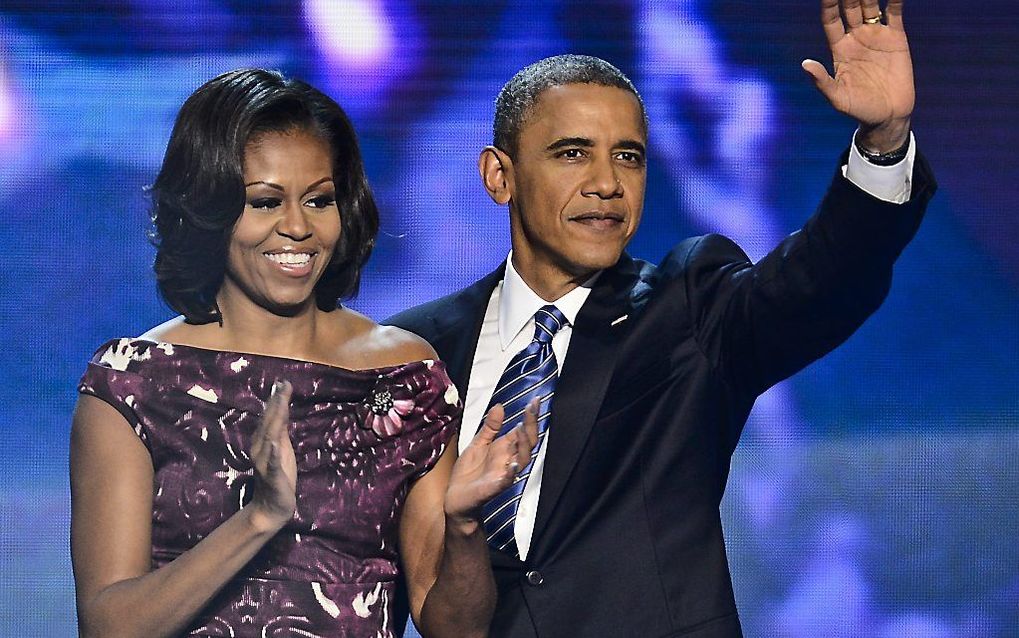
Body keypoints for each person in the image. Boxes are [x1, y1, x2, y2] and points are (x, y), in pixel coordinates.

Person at [385, 1, 936, 636]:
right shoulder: (417, 352)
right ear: (498, 175)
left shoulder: (688, 307)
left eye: (628, 157)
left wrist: (884, 143)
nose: (606, 183)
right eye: (572, 154)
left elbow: (820, 281)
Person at [70, 68, 539, 638]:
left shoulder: (405, 380)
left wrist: (465, 526)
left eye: (319, 200)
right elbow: (108, 627)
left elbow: (455, 629)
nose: (297, 228)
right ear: (209, 209)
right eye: (265, 203)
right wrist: (259, 518)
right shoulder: (136, 385)